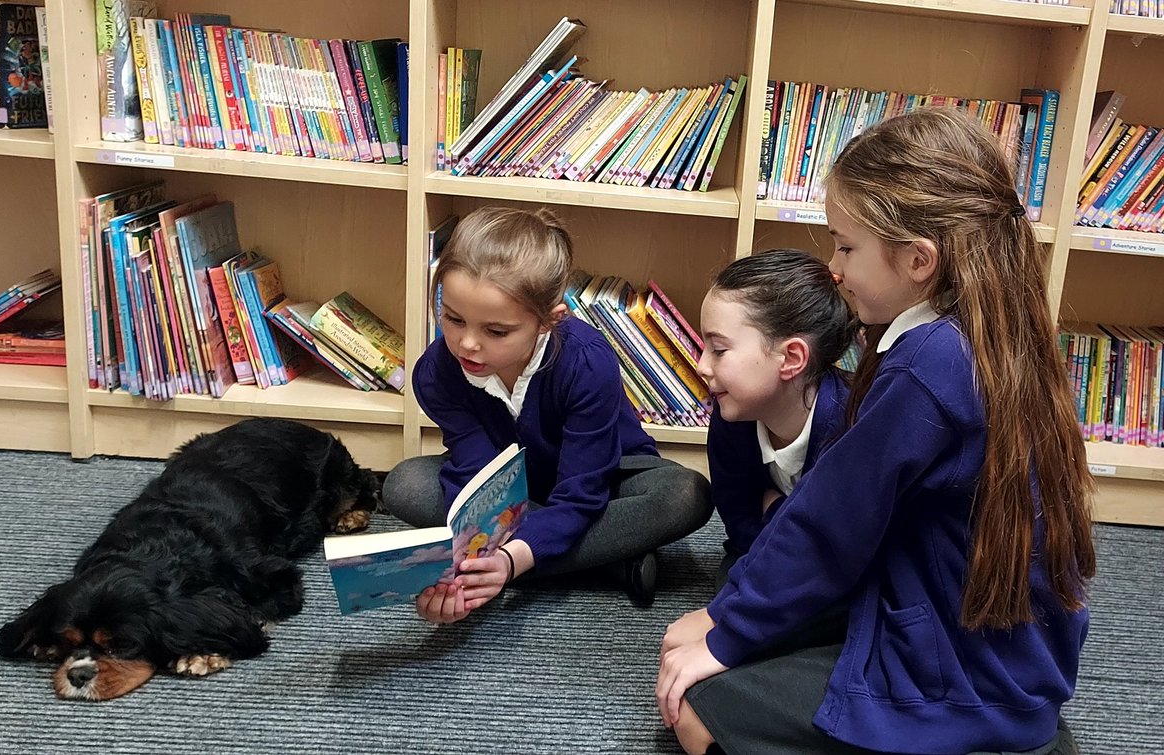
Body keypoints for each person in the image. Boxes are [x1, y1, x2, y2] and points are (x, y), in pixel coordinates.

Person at [656, 107, 1094, 755]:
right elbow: (828, 517)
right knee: (696, 638)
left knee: (695, 708)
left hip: (966, 669)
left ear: (918, 259)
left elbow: (830, 526)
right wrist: (734, 614)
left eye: (846, 245)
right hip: (975, 635)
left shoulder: (931, 365)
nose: (833, 266)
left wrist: (726, 632)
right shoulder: (973, 334)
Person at [383, 205, 712, 623]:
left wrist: (501, 560)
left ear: (548, 321)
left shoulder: (587, 361)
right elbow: (479, 477)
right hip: (516, 488)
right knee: (404, 485)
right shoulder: (436, 374)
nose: (467, 344)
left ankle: (524, 562)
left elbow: (582, 491)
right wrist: (475, 556)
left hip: (605, 476)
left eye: (495, 331)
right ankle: (607, 560)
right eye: (452, 318)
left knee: (686, 494)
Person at [697, 250, 855, 591]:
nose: (701, 366)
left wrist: (774, 507)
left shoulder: (851, 425)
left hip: (839, 568)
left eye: (719, 350)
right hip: (766, 551)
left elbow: (839, 545)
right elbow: (737, 517)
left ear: (791, 358)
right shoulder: (732, 413)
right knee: (734, 583)